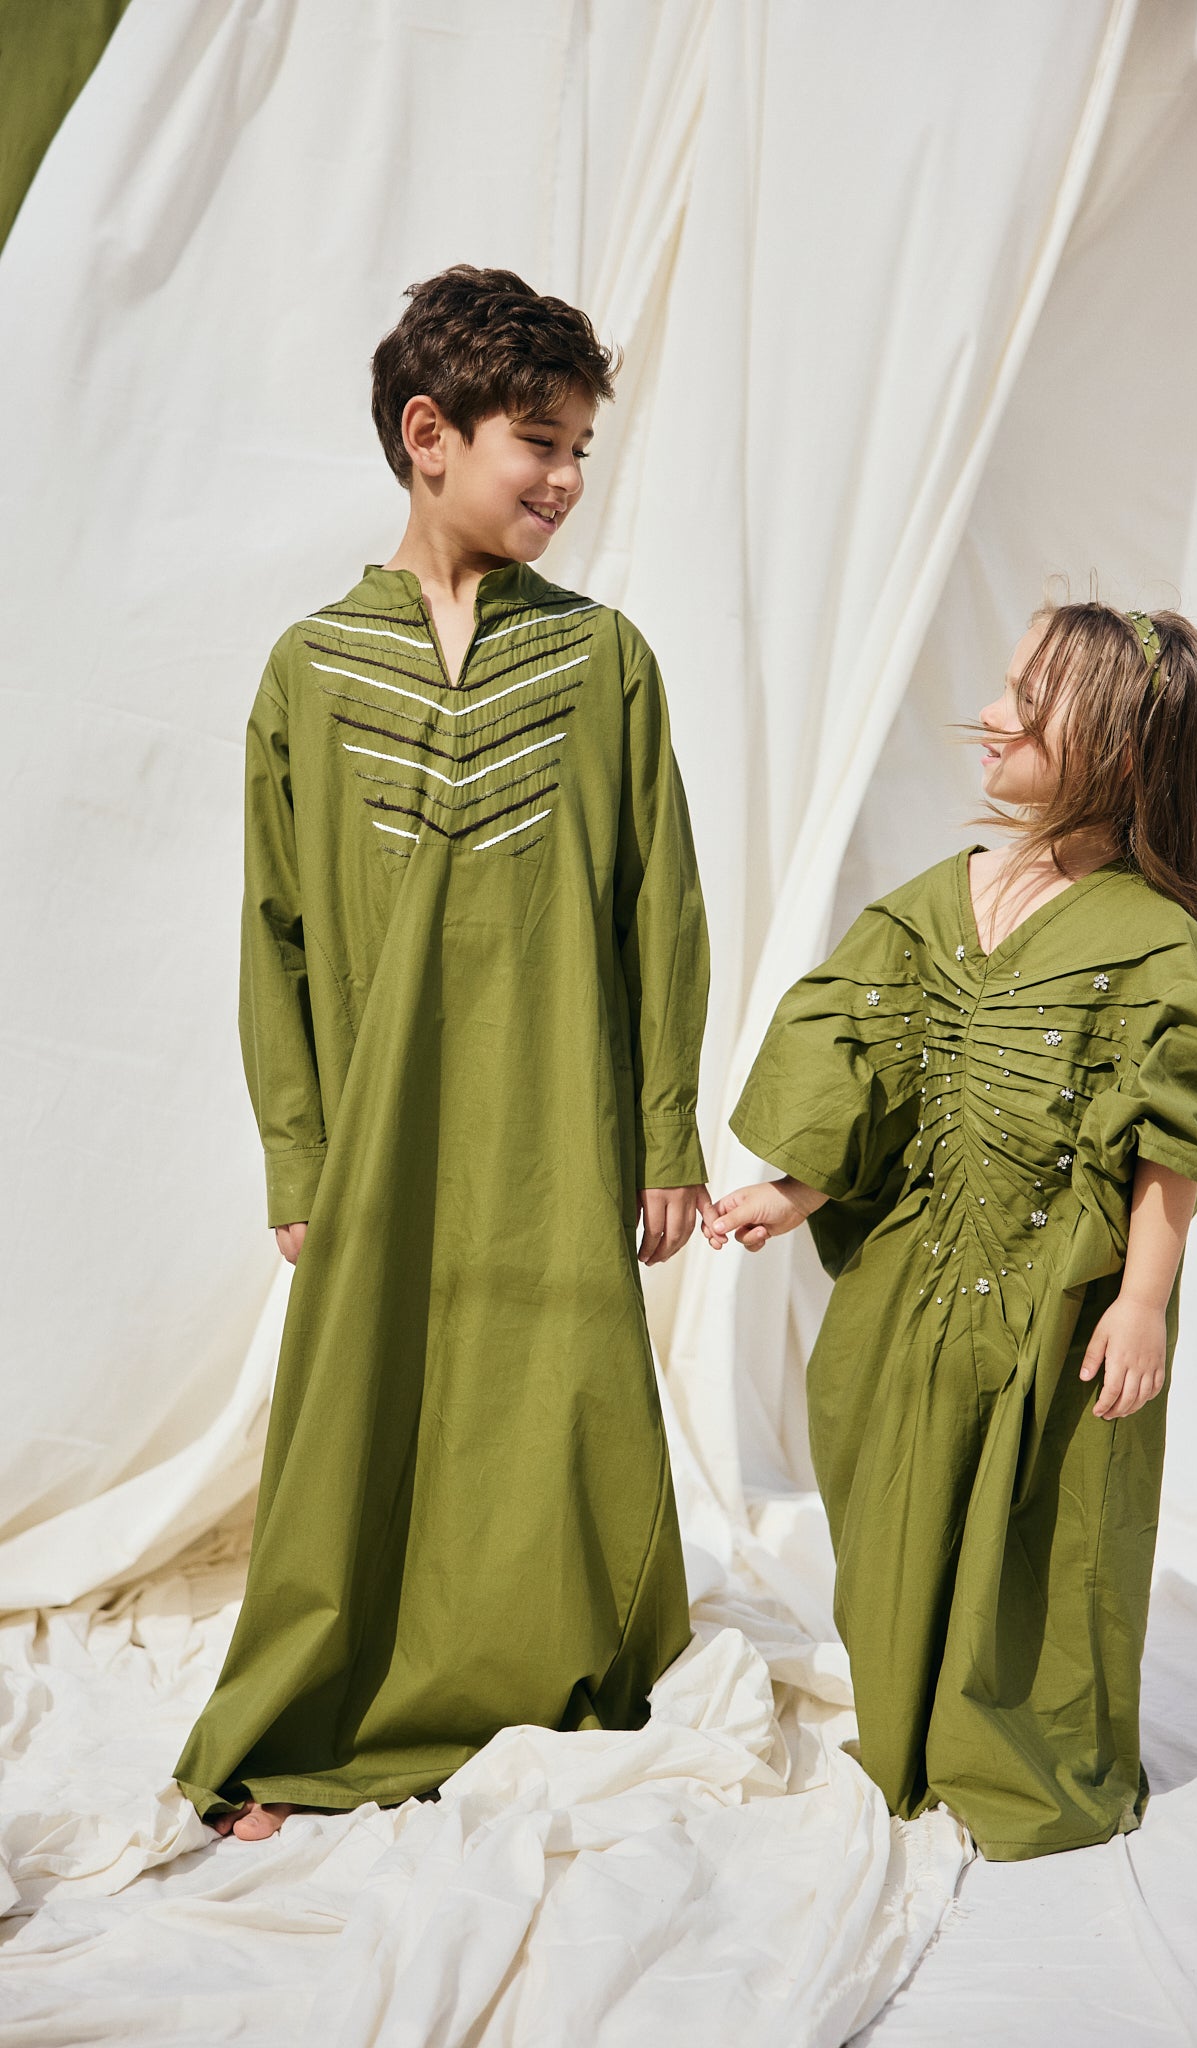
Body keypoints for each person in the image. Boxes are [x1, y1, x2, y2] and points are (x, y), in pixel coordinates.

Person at [175, 266, 714, 1840]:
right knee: (362, 1418)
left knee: (551, 1405)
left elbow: (661, 911)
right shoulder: (312, 669)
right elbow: (274, 934)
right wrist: (297, 1153)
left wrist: (664, 1131)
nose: (564, 479)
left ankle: (543, 1678)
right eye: (537, 442)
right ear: (429, 435)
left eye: (580, 452)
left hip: (558, 1128)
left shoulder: (603, 663)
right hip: (380, 1136)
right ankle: (308, 1719)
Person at [707, 603, 1197, 1860]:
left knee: (1043, 1525)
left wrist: (1142, 1300)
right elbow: (872, 1053)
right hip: (907, 1285)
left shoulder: (1153, 944)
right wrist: (792, 1189)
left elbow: (1173, 1139)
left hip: (1061, 1301)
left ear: (1114, 746)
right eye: (1007, 687)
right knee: (892, 1500)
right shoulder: (941, 898)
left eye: (1029, 704)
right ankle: (906, 1727)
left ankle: (1014, 1750)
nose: (991, 715)